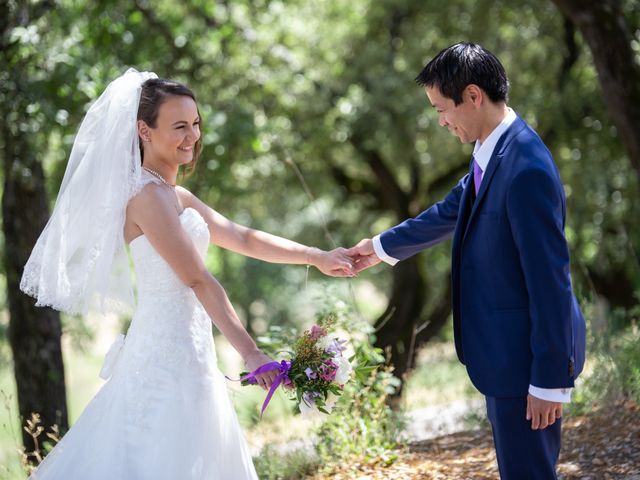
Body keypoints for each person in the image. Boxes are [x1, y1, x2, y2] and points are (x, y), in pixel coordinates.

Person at [20, 69, 355, 479]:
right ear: (144, 130)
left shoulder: (174, 194)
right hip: (164, 356)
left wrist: (316, 256)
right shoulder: (146, 197)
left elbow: (243, 239)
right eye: (179, 126)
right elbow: (197, 279)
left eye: (195, 124)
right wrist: (251, 353)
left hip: (193, 351)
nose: (192, 136)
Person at [348, 43, 586, 480]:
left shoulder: (525, 167)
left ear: (473, 96)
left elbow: (551, 280)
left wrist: (550, 380)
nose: (440, 120)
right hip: (506, 358)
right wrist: (378, 248)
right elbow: (449, 211)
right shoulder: (492, 152)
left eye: (442, 109)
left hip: (526, 362)